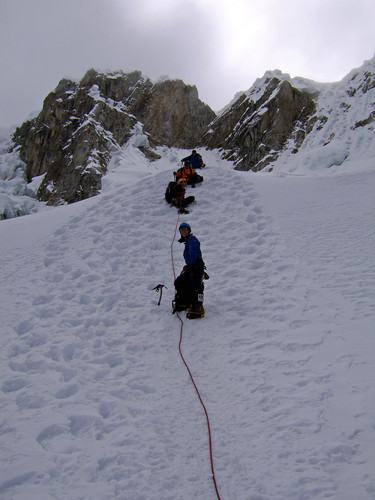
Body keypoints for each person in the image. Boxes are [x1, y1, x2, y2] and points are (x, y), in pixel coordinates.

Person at [173, 222, 206, 318]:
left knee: (196, 286)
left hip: (196, 266)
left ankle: (198, 307)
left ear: (189, 231)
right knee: (180, 282)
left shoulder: (192, 240)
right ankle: (185, 302)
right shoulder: (188, 241)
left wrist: (191, 265)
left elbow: (193, 254)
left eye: (185, 229)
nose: (183, 231)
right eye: (181, 230)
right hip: (191, 266)